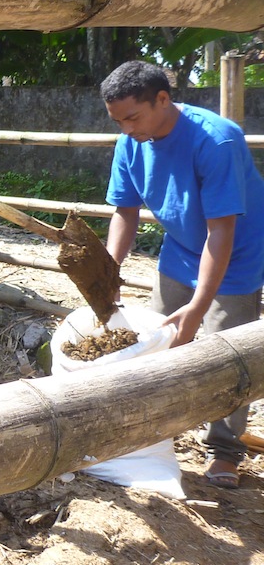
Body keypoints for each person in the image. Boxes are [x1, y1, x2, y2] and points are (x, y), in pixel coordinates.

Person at [102, 60, 264, 489]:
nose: (126, 129)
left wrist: (197, 306)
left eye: (132, 117)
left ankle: (225, 449)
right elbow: (125, 213)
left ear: (162, 99)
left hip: (235, 256)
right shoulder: (130, 141)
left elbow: (221, 231)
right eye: (118, 121)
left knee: (226, 354)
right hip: (181, 250)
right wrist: (106, 273)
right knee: (152, 342)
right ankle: (152, 433)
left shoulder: (215, 139)